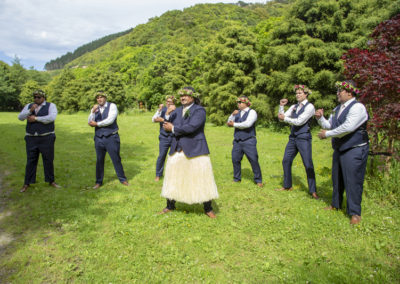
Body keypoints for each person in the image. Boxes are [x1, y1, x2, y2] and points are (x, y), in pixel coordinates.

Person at [160, 87, 218, 218]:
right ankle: (170, 206)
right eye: (181, 95)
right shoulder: (177, 110)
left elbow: (192, 127)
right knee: (173, 177)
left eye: (186, 95)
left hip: (195, 149)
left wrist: (173, 128)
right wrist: (168, 115)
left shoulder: (199, 110)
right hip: (177, 149)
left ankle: (208, 208)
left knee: (201, 178)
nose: (182, 98)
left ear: (193, 97)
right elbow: (165, 126)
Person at [316, 80, 369, 225]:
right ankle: (336, 204)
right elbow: (330, 125)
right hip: (340, 148)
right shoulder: (337, 108)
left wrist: (327, 134)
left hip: (355, 148)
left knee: (353, 181)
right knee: (337, 178)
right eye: (337, 91)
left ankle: (355, 213)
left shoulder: (358, 107)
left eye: (341, 91)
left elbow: (348, 127)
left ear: (350, 92)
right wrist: (320, 118)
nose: (338, 93)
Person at [276, 84, 319, 199]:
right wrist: (281, 107)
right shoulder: (294, 106)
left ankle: (313, 190)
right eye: (296, 93)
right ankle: (287, 186)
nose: (297, 95)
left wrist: (285, 119)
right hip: (293, 137)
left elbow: (300, 121)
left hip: (303, 137)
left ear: (306, 94)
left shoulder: (310, 107)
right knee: (286, 160)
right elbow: (282, 117)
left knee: (307, 163)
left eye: (300, 93)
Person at [18, 90, 61, 192]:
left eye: (38, 97)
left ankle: (51, 181)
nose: (36, 99)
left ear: (43, 97)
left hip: (46, 137)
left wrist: (36, 118)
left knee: (48, 160)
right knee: (30, 161)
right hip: (31, 137)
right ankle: (27, 183)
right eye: (35, 97)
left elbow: (51, 118)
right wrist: (30, 110)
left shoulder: (51, 106)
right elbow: (20, 117)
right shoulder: (29, 105)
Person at [88, 91, 129, 189]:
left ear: (105, 98)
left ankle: (122, 179)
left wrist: (97, 124)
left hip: (111, 137)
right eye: (97, 98)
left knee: (116, 159)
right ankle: (98, 181)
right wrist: (92, 112)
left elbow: (110, 120)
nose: (99, 99)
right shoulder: (95, 108)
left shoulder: (112, 106)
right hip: (98, 138)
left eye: (101, 97)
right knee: (99, 160)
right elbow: (90, 120)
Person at [227, 96, 263, 187]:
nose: (238, 104)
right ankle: (237, 178)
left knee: (253, 160)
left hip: (249, 140)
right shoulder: (237, 112)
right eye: (237, 102)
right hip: (237, 140)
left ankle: (258, 180)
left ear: (246, 103)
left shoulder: (252, 112)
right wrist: (232, 115)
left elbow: (248, 124)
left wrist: (234, 124)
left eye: (240, 102)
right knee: (235, 159)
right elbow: (229, 123)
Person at [152, 95, 176, 181]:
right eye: (167, 101)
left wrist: (162, 120)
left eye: (170, 102)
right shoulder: (163, 109)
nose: (168, 103)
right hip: (164, 137)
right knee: (161, 156)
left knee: (174, 156)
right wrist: (159, 113)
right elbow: (154, 119)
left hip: (174, 137)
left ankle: (173, 175)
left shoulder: (178, 111)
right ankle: (158, 174)